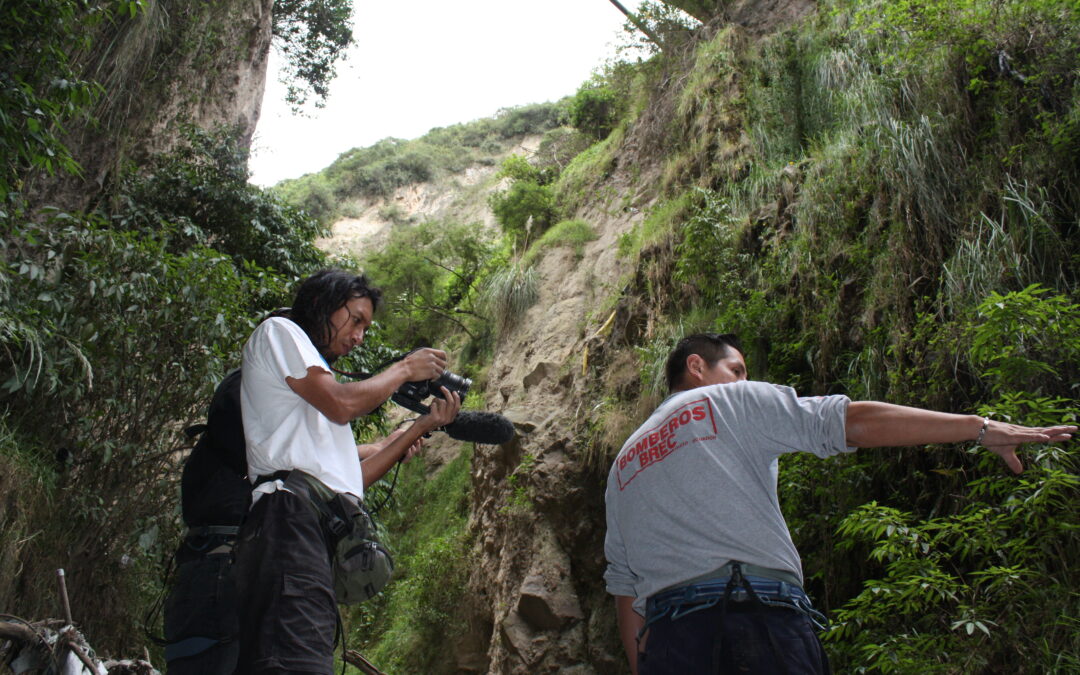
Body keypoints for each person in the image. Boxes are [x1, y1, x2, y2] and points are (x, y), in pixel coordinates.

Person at [603, 333, 1075, 675]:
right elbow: (850, 421)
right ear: (697, 367)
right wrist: (979, 428)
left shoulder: (622, 465)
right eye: (738, 369)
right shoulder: (728, 401)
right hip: (757, 619)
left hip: (668, 642)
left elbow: (626, 592)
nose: (745, 379)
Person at [233, 268, 461, 674]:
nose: (358, 337)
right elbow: (341, 403)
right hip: (288, 523)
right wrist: (405, 369)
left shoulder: (315, 390)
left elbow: (349, 483)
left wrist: (421, 427)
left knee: (304, 657)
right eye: (356, 320)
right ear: (323, 303)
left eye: (365, 328)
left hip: (311, 531)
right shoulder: (281, 333)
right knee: (292, 661)